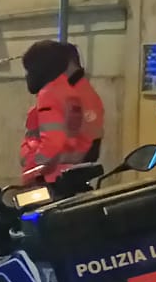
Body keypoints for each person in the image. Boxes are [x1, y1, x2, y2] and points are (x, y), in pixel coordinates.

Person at [19, 39, 105, 184]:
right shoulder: (69, 91)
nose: (27, 76)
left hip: (50, 177)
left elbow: (54, 142)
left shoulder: (52, 93)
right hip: (65, 172)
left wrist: (34, 169)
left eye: (30, 70)